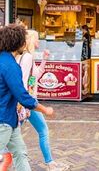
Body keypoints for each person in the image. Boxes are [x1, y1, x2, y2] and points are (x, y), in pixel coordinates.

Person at [0, 25, 54, 171]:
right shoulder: (10, 65)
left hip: (10, 120)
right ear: (17, 42)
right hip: (3, 120)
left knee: (20, 153)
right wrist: (45, 110)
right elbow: (23, 96)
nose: (25, 43)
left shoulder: (6, 61)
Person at [17, 30, 70, 171]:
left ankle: (49, 163)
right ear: (31, 40)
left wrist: (45, 59)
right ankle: (49, 164)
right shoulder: (27, 57)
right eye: (37, 38)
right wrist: (25, 103)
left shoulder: (28, 57)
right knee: (37, 131)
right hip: (27, 102)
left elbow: (36, 75)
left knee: (18, 132)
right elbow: (22, 81)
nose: (39, 41)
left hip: (27, 101)